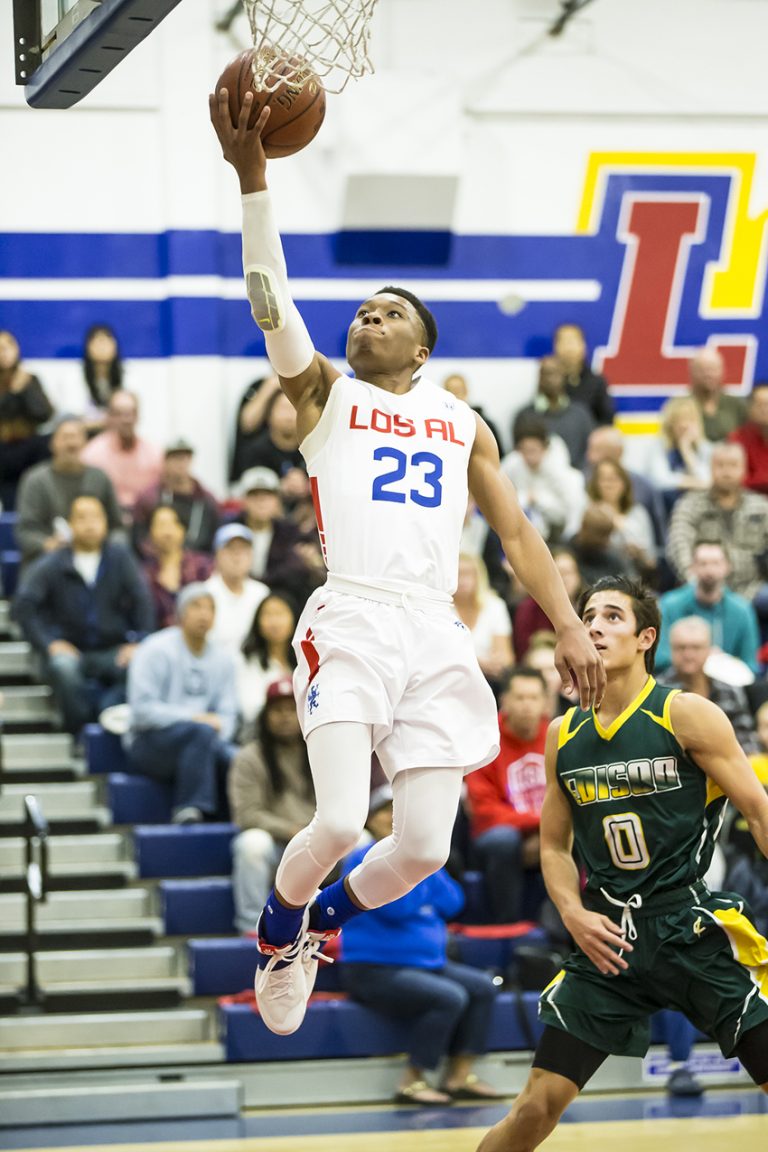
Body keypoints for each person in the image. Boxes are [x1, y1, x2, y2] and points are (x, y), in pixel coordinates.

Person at [209, 88, 603, 1038]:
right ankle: (277, 933)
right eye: (362, 309)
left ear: (422, 345)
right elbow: (273, 299)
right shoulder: (326, 398)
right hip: (352, 613)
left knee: (424, 844)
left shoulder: (464, 421)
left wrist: (565, 626)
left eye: (388, 312)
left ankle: (317, 929)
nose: (367, 318)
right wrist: (253, 180)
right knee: (341, 821)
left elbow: (517, 538)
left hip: (434, 625)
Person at [475, 575, 768, 1152]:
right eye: (587, 616)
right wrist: (573, 914)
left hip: (689, 928)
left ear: (644, 638)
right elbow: (555, 847)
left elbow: (758, 810)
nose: (595, 626)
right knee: (535, 1108)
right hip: (610, 938)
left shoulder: (685, 714)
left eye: (612, 616)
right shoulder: (564, 733)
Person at [341, 785, 502, 1106]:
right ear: (369, 820)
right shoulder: (363, 860)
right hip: (373, 969)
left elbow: (453, 902)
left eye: (398, 811)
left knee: (483, 987)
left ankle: (459, 1075)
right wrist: (421, 885)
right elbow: (395, 907)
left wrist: (419, 880)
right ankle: (411, 1081)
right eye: (384, 810)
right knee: (449, 997)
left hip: (425, 963)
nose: (392, 817)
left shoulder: (421, 860)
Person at [12, 495, 154, 734]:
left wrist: (139, 642)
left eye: (96, 517)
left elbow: (144, 602)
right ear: (70, 524)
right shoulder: (53, 563)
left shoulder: (120, 558)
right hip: (71, 650)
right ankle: (79, 732)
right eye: (82, 517)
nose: (90, 524)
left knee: (141, 664)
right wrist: (49, 643)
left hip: (113, 650)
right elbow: (24, 606)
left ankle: (103, 716)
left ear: (106, 522)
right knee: (63, 668)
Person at [125, 583, 239, 824]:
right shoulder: (155, 649)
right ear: (180, 613)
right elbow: (142, 711)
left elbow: (228, 716)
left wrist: (215, 729)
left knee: (238, 759)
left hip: (205, 741)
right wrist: (194, 718)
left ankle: (234, 821)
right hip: (150, 743)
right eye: (196, 606)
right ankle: (190, 809)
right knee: (200, 733)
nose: (204, 614)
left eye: (210, 608)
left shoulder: (223, 660)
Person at [228, 677, 316, 934]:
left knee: (362, 842)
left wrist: (316, 834)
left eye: (292, 710)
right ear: (265, 716)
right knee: (251, 844)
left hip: (320, 843)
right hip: (276, 844)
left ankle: (351, 926)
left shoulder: (320, 750)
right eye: (278, 710)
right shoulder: (249, 757)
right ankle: (252, 927)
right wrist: (290, 830)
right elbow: (247, 815)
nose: (285, 717)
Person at [465, 668, 549, 924]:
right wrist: (540, 824)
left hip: (545, 830)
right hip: (497, 835)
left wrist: (550, 831)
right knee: (504, 841)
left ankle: (562, 930)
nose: (527, 705)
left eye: (534, 698)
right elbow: (484, 811)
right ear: (504, 701)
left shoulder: (557, 736)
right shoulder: (486, 740)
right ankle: (509, 927)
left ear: (545, 701)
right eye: (520, 697)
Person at [15, 415, 123, 570]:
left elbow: (117, 527)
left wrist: (104, 544)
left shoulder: (100, 478)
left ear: (85, 443)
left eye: (76, 437)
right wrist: (48, 544)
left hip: (96, 558)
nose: (71, 443)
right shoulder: (35, 480)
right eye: (65, 437)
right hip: (48, 563)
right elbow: (25, 531)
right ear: (53, 443)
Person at [666, 441, 768, 603]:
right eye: (720, 465)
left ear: (744, 469)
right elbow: (679, 542)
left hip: (752, 588)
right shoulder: (691, 504)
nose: (726, 471)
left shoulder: (761, 507)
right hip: (702, 586)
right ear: (710, 468)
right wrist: (692, 578)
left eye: (733, 465)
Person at [656, 539, 760, 675]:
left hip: (727, 683)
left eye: (715, 563)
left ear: (728, 566)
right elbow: (659, 658)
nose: (709, 570)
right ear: (693, 567)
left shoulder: (742, 610)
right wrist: (701, 659)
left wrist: (723, 662)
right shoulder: (669, 604)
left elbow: (751, 665)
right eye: (703, 563)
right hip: (678, 680)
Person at [656, 617, 758, 754]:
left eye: (696, 647)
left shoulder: (729, 691)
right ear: (671, 649)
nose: (688, 654)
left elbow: (747, 741)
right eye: (681, 647)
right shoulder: (656, 692)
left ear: (709, 649)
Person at [234, 465, 323, 605]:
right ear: (243, 500)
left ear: (277, 500)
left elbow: (296, 567)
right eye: (254, 496)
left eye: (267, 496)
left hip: (279, 597)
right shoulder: (231, 528)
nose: (261, 502)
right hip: (237, 592)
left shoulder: (289, 531)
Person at [80, 390, 163, 520]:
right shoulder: (92, 454)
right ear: (109, 417)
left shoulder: (154, 453)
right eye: (119, 414)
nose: (126, 420)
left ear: (138, 416)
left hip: (146, 518)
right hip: (107, 519)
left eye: (131, 413)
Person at [132, 438, 221, 554]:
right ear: (165, 462)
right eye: (175, 458)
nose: (180, 463)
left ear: (191, 460)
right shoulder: (149, 498)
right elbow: (139, 537)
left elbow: (214, 537)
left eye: (184, 458)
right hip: (158, 560)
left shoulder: (207, 500)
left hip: (199, 562)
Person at [0, 329, 53, 510]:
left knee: (47, 442)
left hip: (29, 446)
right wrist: (13, 392)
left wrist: (25, 389)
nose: (3, 352)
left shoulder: (29, 380)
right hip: (3, 451)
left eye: (8, 347)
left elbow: (44, 414)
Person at [512, 356, 595, 470]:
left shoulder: (580, 414)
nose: (550, 379)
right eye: (545, 374)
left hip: (574, 481)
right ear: (539, 378)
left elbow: (588, 454)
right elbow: (518, 456)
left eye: (556, 373)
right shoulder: (525, 417)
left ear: (564, 377)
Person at [139, 504, 213, 629]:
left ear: (183, 529)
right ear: (150, 531)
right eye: (161, 525)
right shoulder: (144, 573)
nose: (167, 532)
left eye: (173, 524)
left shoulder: (202, 565)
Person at [585, 459, 657, 581]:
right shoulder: (588, 511)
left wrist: (637, 550)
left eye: (615, 479)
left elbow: (651, 560)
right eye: (604, 479)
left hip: (634, 574)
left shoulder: (638, 512)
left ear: (624, 483)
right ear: (596, 483)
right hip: (596, 573)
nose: (610, 484)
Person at [204, 523, 269, 656]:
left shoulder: (262, 593)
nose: (237, 556)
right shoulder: (205, 592)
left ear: (251, 556)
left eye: (244, 549)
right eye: (230, 549)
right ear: (217, 555)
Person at [453, 553, 513, 694]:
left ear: (479, 576)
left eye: (467, 574)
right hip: (451, 675)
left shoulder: (495, 605)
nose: (462, 580)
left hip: (488, 679)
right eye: (457, 574)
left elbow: (506, 656)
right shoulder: (441, 607)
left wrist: (496, 663)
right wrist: (478, 663)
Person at [513, 547, 584, 661]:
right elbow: (524, 652)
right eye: (559, 573)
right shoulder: (529, 608)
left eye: (569, 573)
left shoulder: (586, 606)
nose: (565, 579)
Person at [644, 395, 713, 513]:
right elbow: (659, 480)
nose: (684, 425)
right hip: (667, 508)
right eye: (679, 420)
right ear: (670, 424)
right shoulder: (658, 446)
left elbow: (708, 481)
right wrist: (691, 483)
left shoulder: (705, 448)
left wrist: (686, 451)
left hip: (699, 509)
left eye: (689, 420)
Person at [238, 591, 298, 725]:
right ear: (257, 622)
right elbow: (250, 710)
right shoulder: (247, 661)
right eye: (268, 615)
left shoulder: (303, 661)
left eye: (280, 614)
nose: (274, 621)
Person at [553, 323, 614, 426]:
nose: (569, 348)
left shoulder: (596, 382)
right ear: (555, 347)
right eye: (564, 341)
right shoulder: (549, 382)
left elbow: (607, 419)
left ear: (583, 346)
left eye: (573, 341)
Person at [687, 346, 748, 442]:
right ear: (692, 372)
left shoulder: (736, 405)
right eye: (702, 370)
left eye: (713, 369)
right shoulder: (681, 405)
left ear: (723, 371)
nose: (708, 374)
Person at [443, 372, 504, 456]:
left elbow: (498, 455)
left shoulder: (484, 424)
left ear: (466, 391)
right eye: (450, 391)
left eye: (458, 391)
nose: (455, 395)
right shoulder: (440, 424)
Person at [81, 324, 124, 432]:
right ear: (88, 347)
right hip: (85, 435)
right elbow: (74, 419)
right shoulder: (74, 378)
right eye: (98, 341)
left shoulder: (129, 376)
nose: (102, 346)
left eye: (107, 340)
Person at [729, 382, 768, 496]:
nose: (765, 410)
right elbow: (735, 479)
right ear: (750, 408)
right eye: (760, 405)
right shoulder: (737, 438)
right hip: (748, 501)